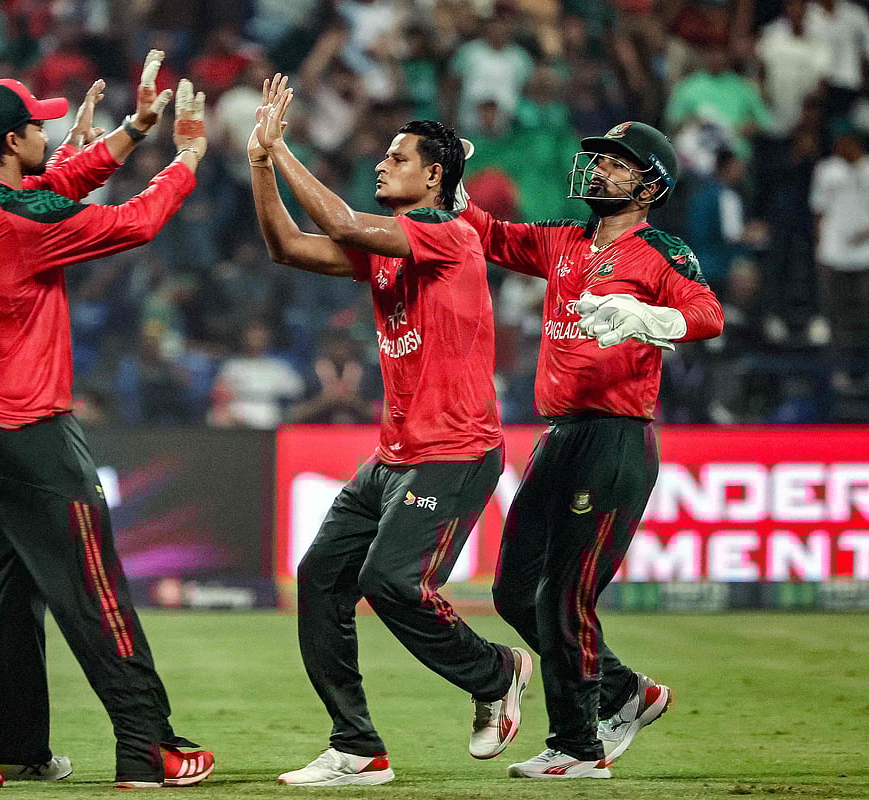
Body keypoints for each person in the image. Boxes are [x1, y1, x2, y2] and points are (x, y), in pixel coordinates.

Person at [0, 67, 214, 791]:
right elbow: (133, 222)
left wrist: (130, 134)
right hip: (29, 430)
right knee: (94, 592)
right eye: (39, 127)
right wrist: (186, 159)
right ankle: (148, 751)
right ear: (12, 141)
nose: (52, 135)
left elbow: (52, 186)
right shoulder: (19, 221)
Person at [249, 75, 531, 787]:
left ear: (435, 176)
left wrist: (282, 150)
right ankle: (357, 747)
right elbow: (287, 245)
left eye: (397, 158)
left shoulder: (448, 234)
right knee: (320, 579)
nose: (382, 164)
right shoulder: (390, 248)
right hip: (394, 457)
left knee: (390, 581)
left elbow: (340, 222)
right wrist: (258, 161)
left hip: (456, 452)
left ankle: (497, 672)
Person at [459, 121, 724, 778]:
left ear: (650, 185)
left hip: (615, 438)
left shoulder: (658, 250)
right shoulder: (564, 243)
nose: (600, 169)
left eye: (618, 164)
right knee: (516, 592)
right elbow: (487, 236)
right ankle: (625, 691)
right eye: (599, 159)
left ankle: (579, 747)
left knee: (563, 597)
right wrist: (449, 180)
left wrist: (651, 318)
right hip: (559, 436)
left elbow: (708, 313)